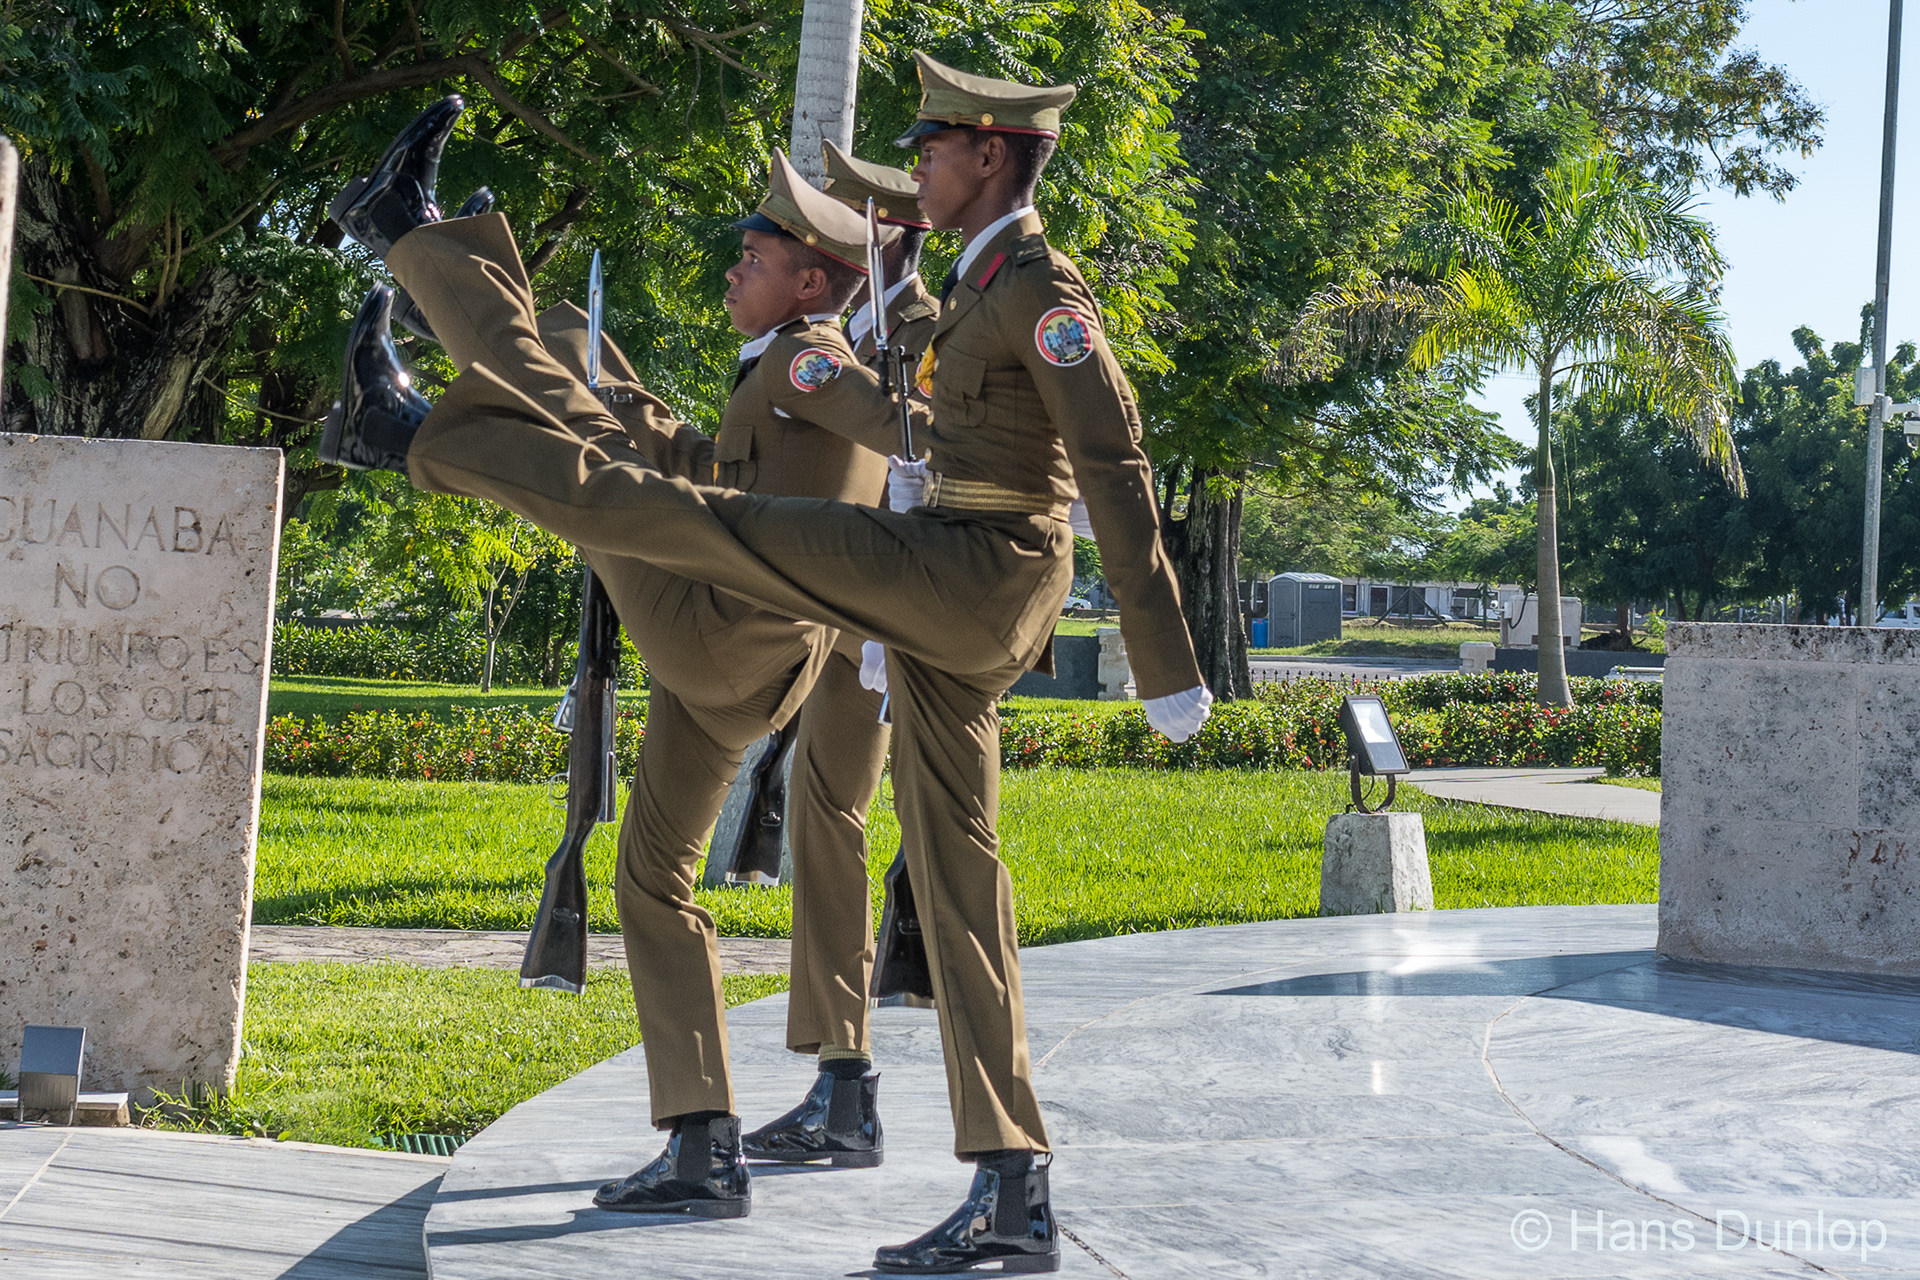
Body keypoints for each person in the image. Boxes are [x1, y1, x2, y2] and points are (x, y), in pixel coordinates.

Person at [326, 51, 1211, 1274]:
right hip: (947, 576)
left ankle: (406, 429)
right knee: (961, 879)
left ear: (993, 154)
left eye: (936, 147)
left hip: (968, 573)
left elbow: (1109, 456)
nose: (918, 167)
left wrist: (1164, 655)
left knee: (661, 505)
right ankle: (1013, 1189)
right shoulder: (975, 281)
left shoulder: (1034, 285)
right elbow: (931, 426)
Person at [324, 107, 916, 1216]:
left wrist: (940, 442)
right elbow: (718, 462)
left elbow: (891, 425)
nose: (738, 259)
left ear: (811, 285)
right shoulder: (781, 363)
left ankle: (403, 360)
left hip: (718, 626)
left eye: (763, 251)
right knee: (651, 879)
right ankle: (703, 1144)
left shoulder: (809, 361)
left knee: (579, 453)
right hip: (739, 657)